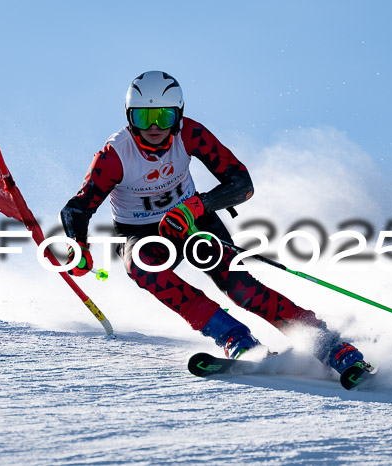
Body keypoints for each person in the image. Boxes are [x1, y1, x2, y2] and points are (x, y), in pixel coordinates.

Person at [60, 70, 365, 375]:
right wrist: (78, 245)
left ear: (178, 116)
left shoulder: (190, 134)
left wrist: (197, 205)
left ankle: (330, 346)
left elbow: (242, 183)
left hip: (193, 221)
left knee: (243, 289)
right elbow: (77, 208)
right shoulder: (114, 155)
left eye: (164, 117)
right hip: (141, 233)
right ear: (129, 118)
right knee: (141, 267)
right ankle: (233, 336)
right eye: (143, 117)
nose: (154, 127)